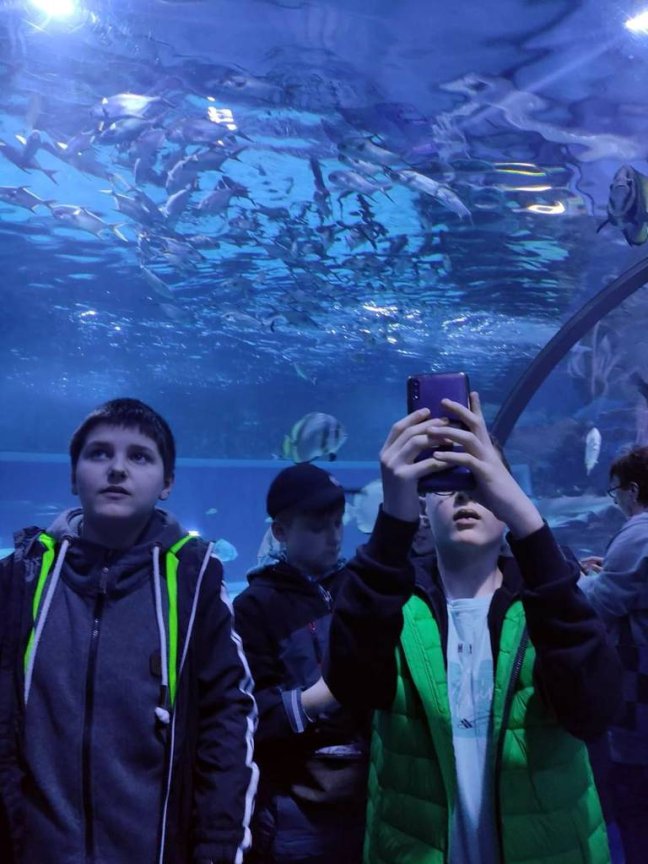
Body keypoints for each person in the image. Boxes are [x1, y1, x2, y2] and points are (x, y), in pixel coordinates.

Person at [312, 392, 622, 863]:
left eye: (480, 478)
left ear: (506, 493)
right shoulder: (391, 606)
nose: (464, 493)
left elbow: (594, 711)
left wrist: (529, 526)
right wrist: (392, 522)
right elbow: (351, 689)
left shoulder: (547, 601)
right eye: (446, 480)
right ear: (422, 504)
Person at [0, 397, 258, 864]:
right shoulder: (21, 578)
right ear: (73, 475)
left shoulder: (194, 581)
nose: (117, 468)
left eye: (139, 456)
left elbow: (228, 720)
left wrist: (219, 851)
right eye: (99, 453)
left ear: (167, 482)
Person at [233, 463, 370, 864]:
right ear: (280, 531)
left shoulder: (359, 588)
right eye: (316, 527)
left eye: (338, 523)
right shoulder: (254, 606)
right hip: (293, 809)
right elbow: (248, 717)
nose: (334, 537)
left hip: (372, 793)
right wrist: (323, 696)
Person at [579, 446, 648, 864]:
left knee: (635, 810)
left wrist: (580, 578)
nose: (616, 500)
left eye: (616, 491)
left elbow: (599, 606)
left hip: (639, 710)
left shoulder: (638, 531)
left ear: (633, 490)